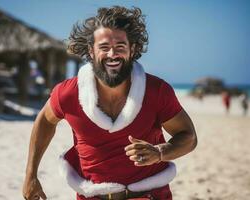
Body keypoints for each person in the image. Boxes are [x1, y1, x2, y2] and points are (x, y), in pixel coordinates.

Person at [23, 6, 197, 200]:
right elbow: (45, 121)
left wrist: (159, 152)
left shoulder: (157, 91)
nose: (112, 54)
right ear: (91, 50)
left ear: (133, 49)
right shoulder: (69, 93)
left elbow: (189, 136)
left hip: (151, 196)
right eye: (104, 47)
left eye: (120, 46)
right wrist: (30, 175)